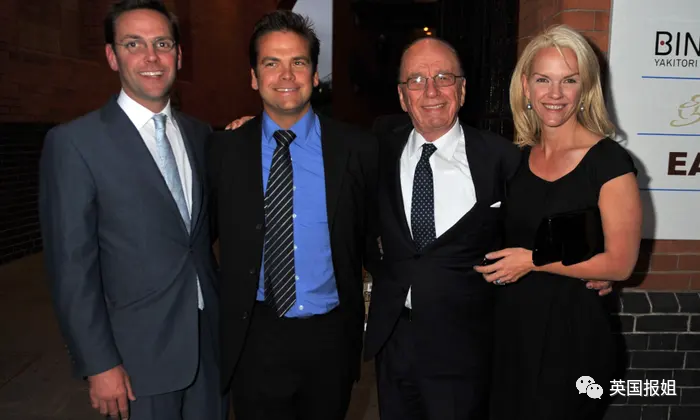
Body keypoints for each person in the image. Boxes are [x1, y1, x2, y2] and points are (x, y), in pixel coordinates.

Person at [39, 1, 226, 419]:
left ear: (179, 54)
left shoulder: (200, 135)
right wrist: (98, 362)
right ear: (112, 56)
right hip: (136, 360)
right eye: (133, 44)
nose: (151, 57)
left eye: (162, 43)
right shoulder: (74, 144)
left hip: (209, 348)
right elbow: (71, 268)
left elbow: (199, 230)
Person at [207, 10, 379, 420]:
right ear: (254, 77)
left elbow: (375, 234)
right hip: (254, 338)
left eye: (298, 62)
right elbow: (199, 240)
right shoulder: (223, 151)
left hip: (331, 339)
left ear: (315, 75)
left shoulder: (357, 149)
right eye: (271, 63)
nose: (286, 75)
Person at [474, 25, 642, 420]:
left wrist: (533, 261)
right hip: (512, 330)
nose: (555, 94)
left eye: (569, 80)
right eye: (543, 80)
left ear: (586, 88)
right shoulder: (515, 159)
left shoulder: (608, 162)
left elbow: (620, 264)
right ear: (525, 87)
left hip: (573, 334)